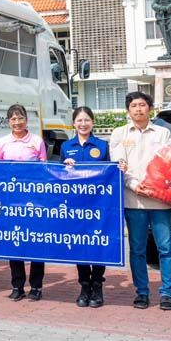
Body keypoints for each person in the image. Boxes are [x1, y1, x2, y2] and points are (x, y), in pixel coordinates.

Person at [109, 92, 171, 311]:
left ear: (150, 108)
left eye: (142, 105)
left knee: (165, 248)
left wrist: (155, 187)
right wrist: (135, 185)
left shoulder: (163, 132)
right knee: (137, 249)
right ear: (128, 110)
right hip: (133, 200)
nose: (138, 109)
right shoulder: (119, 134)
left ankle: (167, 293)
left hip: (159, 200)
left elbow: (168, 163)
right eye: (134, 106)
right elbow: (119, 165)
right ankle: (142, 292)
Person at [60, 106, 110, 308]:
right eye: (79, 120)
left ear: (92, 122)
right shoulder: (66, 146)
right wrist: (66, 166)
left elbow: (110, 172)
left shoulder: (102, 145)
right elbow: (58, 176)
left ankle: (97, 286)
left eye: (87, 120)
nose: (83, 124)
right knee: (80, 244)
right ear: (74, 123)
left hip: (98, 204)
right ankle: (84, 285)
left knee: (98, 243)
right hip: (75, 206)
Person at [0, 103, 47, 301]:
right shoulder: (2, 142)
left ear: (27, 119)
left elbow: (44, 172)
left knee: (35, 241)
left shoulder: (37, 141)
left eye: (20, 118)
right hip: (12, 201)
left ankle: (36, 286)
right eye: (13, 119)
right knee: (14, 241)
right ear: (8, 122)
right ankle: (17, 285)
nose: (17, 122)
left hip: (34, 200)